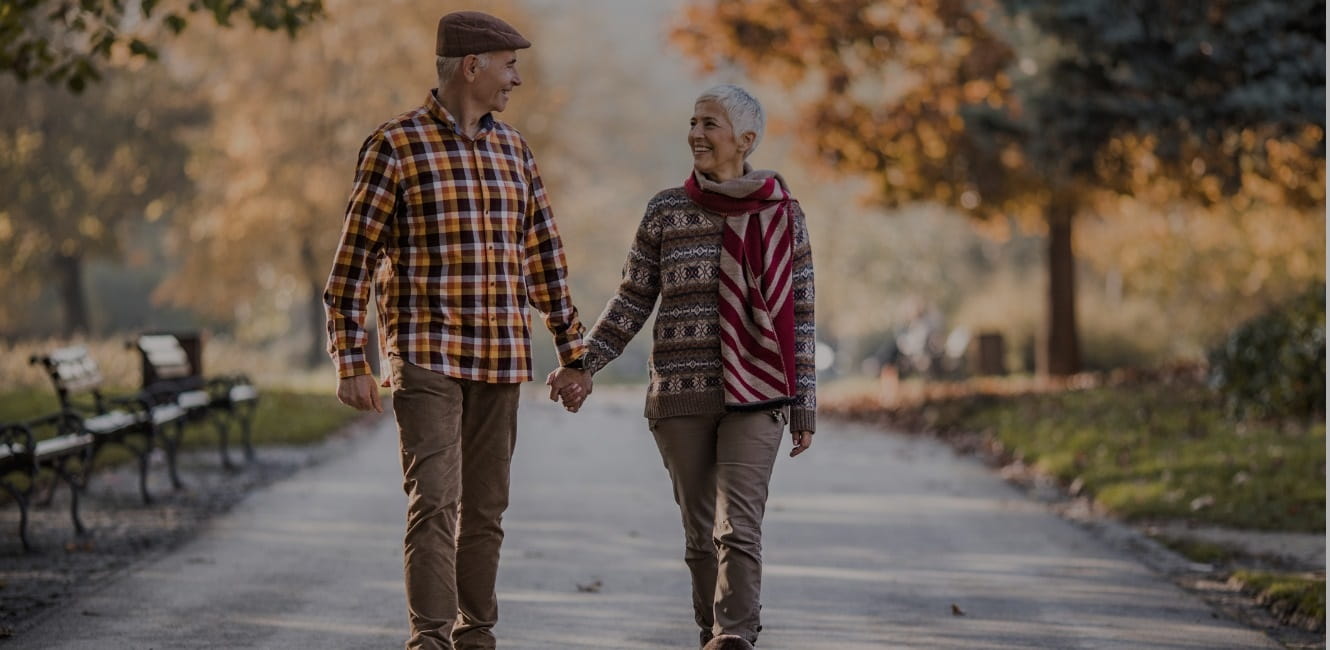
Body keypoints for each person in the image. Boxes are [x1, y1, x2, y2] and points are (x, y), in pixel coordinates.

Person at [323, 11, 587, 649]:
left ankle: (477, 634)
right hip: (425, 354)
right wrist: (350, 359)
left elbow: (544, 257)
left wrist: (573, 354)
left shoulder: (514, 149)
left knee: (486, 510)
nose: (516, 79)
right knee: (436, 501)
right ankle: (431, 639)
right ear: (473, 67)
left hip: (499, 356)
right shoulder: (396, 146)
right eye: (509, 65)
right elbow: (352, 262)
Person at [549, 84, 816, 650]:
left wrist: (804, 400)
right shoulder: (666, 209)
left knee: (736, 528)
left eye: (710, 124)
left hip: (760, 392)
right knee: (700, 536)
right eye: (693, 122)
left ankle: (735, 635)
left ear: (745, 139)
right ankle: (710, 631)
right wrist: (582, 363)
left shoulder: (783, 214)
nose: (696, 133)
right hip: (680, 394)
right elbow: (631, 299)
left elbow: (802, 310)